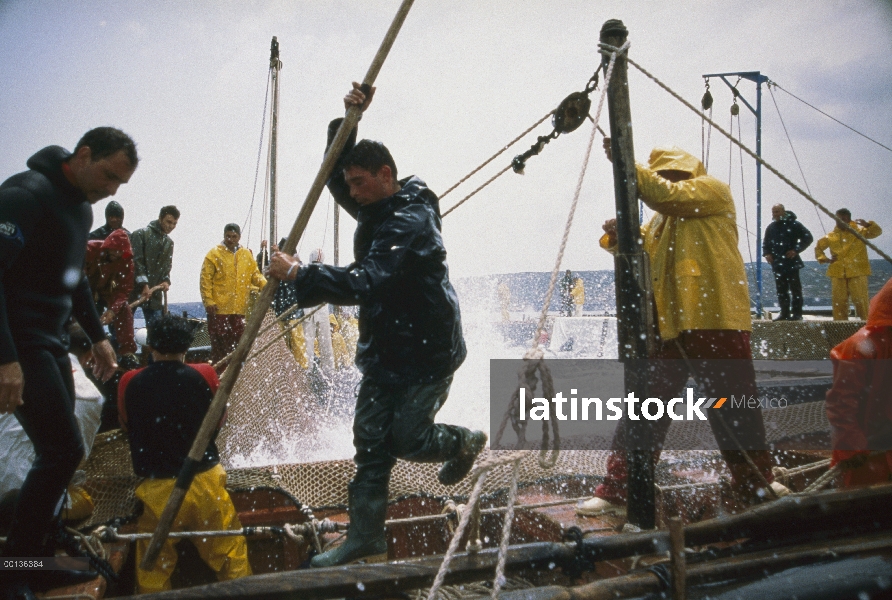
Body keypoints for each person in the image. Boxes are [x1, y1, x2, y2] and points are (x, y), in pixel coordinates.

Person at [269, 82, 485, 567]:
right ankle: (365, 536)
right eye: (351, 185)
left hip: (427, 353)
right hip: (386, 350)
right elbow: (333, 174)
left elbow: (367, 282)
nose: (350, 193)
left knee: (406, 439)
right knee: (370, 443)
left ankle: (464, 440)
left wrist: (300, 274)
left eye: (359, 183)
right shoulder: (374, 200)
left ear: (386, 176)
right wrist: (348, 119)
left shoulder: (409, 221)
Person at [577, 140, 786, 518]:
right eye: (663, 175)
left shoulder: (711, 191)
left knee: (733, 404)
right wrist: (622, 237)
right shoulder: (661, 219)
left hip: (715, 318)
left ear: (687, 173)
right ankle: (620, 486)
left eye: (671, 175)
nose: (666, 181)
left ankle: (755, 479)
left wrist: (625, 162)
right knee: (644, 406)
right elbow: (652, 252)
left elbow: (665, 197)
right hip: (671, 326)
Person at [0, 127, 133, 596]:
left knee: (60, 448)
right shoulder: (23, 195)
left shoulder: (81, 207)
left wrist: (98, 337)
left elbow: (74, 279)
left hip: (50, 341)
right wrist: (6, 361)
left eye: (121, 184)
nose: (112, 190)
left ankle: (40, 553)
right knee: (61, 450)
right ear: (83, 154)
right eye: (108, 175)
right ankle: (15, 569)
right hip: (17, 341)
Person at [117, 315, 251, 593]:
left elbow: (125, 423)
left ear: (150, 345)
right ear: (187, 346)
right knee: (230, 557)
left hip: (158, 489)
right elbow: (218, 421)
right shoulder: (205, 373)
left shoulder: (128, 380)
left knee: (152, 570)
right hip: (205, 483)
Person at [825, 277, 892, 487]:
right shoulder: (859, 347)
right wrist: (852, 446)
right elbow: (841, 404)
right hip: (867, 451)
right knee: (860, 503)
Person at [200, 223, 266, 365]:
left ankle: (235, 376)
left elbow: (255, 274)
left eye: (234, 236)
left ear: (239, 237)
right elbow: (205, 279)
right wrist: (208, 301)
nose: (231, 239)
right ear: (224, 236)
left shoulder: (246, 255)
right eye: (228, 236)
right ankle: (220, 376)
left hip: (239, 309)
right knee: (219, 345)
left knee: (237, 344)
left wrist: (265, 285)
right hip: (219, 309)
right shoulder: (214, 254)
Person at [815, 208, 882, 321]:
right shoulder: (831, 236)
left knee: (860, 300)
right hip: (837, 272)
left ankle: (866, 324)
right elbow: (818, 248)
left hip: (857, 271)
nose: (840, 221)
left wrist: (868, 224)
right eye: (838, 219)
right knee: (839, 302)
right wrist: (825, 259)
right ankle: (840, 326)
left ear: (849, 219)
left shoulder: (860, 232)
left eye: (843, 219)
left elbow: (877, 232)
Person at [84, 228, 138, 360]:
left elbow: (124, 289)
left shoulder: (126, 262)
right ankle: (82, 349)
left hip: (108, 290)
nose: (117, 254)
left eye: (121, 251)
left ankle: (127, 354)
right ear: (108, 246)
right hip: (84, 289)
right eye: (115, 250)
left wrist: (112, 311)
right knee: (79, 314)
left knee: (124, 310)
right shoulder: (89, 249)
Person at [762, 204, 813, 321]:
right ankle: (784, 313)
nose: (775, 214)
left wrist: (796, 250)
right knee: (781, 290)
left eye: (777, 211)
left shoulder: (794, 225)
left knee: (795, 289)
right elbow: (766, 243)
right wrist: (767, 253)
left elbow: (808, 237)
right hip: (777, 263)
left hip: (791, 262)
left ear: (783, 212)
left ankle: (797, 314)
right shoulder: (771, 227)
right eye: (773, 212)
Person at [130, 205, 179, 327]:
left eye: (174, 223)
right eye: (168, 222)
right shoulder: (140, 235)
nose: (171, 226)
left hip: (155, 295)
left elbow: (167, 267)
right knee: (122, 333)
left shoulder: (169, 243)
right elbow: (137, 262)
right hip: (133, 291)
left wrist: (166, 281)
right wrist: (144, 285)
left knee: (157, 334)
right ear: (160, 218)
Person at [302, 248, 335, 373]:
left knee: (314, 344)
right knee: (315, 344)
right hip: (311, 313)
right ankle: (316, 370)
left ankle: (311, 370)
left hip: (318, 313)